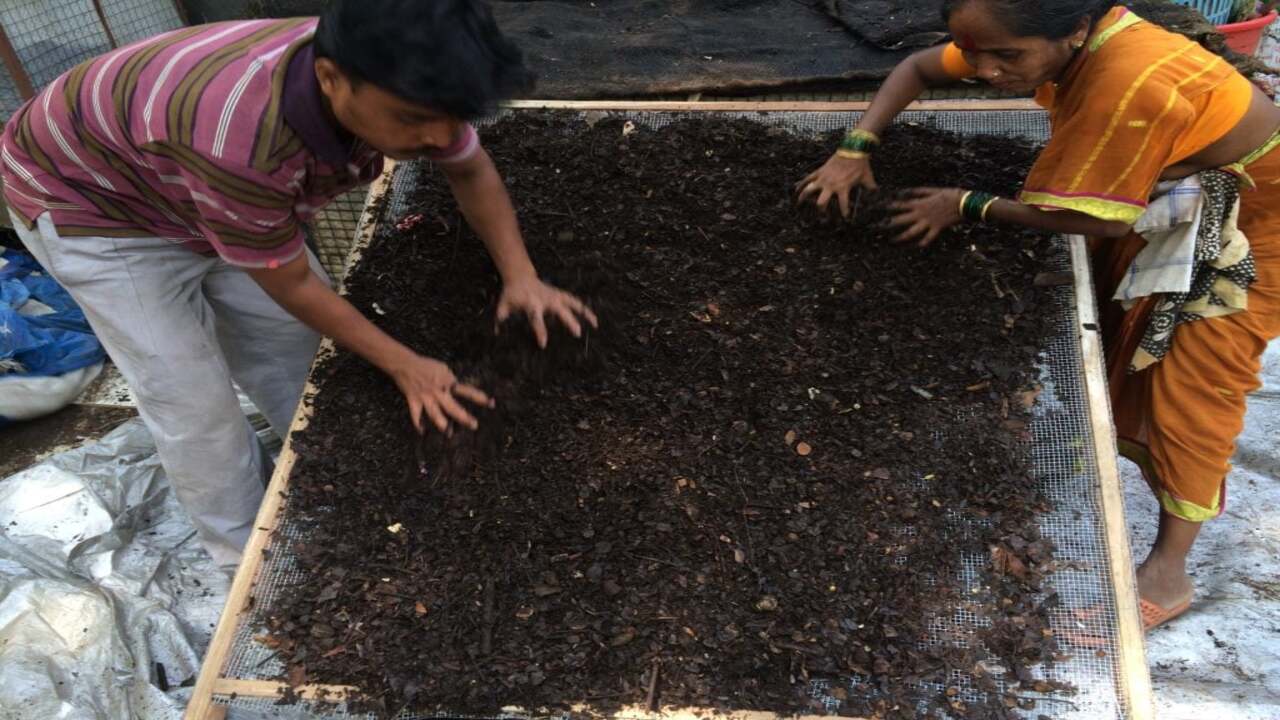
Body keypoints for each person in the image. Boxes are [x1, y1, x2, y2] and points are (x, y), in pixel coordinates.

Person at [0, 0, 597, 572]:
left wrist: (521, 278)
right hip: (94, 202)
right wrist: (407, 365)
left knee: (290, 352)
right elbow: (288, 282)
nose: (439, 138)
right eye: (415, 121)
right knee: (187, 393)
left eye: (453, 117)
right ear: (332, 79)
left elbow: (468, 168)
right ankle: (243, 555)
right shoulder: (241, 140)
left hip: (186, 175)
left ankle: (323, 483)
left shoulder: (408, 74)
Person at [797, 0, 1280, 631]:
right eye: (972, 52)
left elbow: (1093, 218)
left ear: (1077, 31)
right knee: (1115, 329)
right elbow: (917, 69)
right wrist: (856, 147)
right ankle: (1101, 431)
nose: (987, 71)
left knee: (1193, 387)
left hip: (1252, 225)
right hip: (1163, 193)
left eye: (1006, 58)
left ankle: (1169, 572)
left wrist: (967, 204)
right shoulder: (1028, 38)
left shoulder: (1125, 86)